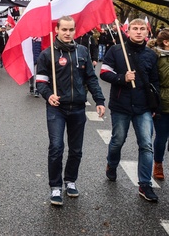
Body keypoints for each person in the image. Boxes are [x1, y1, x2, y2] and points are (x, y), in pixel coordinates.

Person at [36, 16, 105, 206]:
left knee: (76, 150)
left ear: (75, 31)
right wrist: (48, 95)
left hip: (77, 109)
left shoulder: (82, 51)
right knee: (56, 147)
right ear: (56, 30)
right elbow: (41, 82)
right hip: (56, 108)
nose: (67, 33)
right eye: (64, 29)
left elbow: (91, 79)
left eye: (71, 30)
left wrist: (99, 100)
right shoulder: (47, 54)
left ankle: (70, 181)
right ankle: (55, 186)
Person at [101, 18, 160, 202]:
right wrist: (122, 78)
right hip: (121, 105)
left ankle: (145, 184)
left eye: (142, 28)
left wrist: (154, 106)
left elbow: (154, 81)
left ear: (147, 31)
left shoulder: (151, 55)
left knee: (146, 145)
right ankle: (112, 164)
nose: (139, 32)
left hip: (143, 107)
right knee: (118, 140)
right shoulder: (116, 50)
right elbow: (104, 72)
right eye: (135, 28)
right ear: (128, 30)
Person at [153, 29, 169, 180]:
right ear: (166, 42)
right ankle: (158, 163)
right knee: (162, 137)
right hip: (164, 103)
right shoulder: (158, 57)